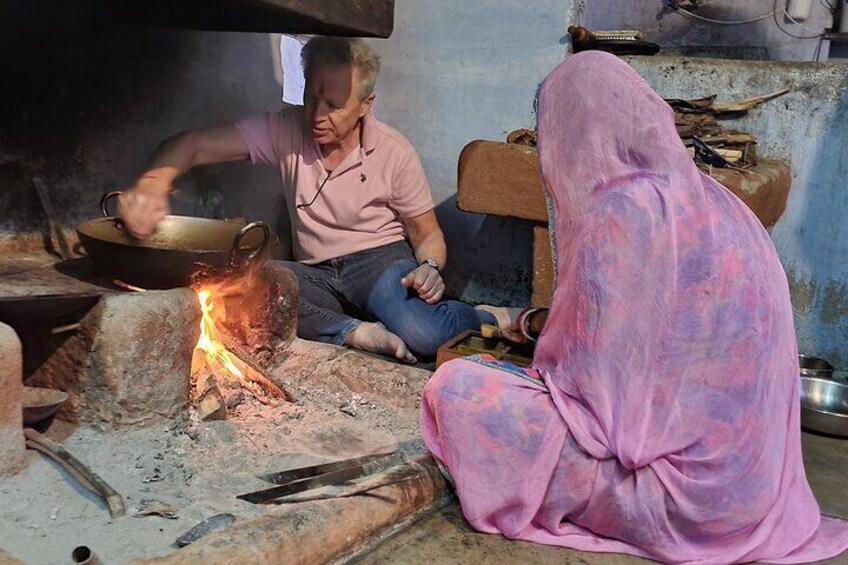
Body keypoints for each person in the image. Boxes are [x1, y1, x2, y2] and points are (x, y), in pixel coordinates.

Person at [420, 51, 848, 563]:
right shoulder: (716, 201)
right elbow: (662, 346)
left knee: (460, 386)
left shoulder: (621, 213)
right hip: (753, 491)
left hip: (681, 502)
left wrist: (543, 364)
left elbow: (606, 412)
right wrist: (547, 328)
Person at [117, 37, 496, 363]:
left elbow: (427, 233)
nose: (316, 116)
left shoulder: (395, 152)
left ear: (366, 103)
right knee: (233, 290)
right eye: (311, 98)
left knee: (424, 335)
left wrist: (429, 265)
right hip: (315, 272)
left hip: (378, 264)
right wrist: (153, 181)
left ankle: (485, 317)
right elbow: (192, 144)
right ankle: (355, 332)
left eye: (333, 105)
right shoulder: (286, 127)